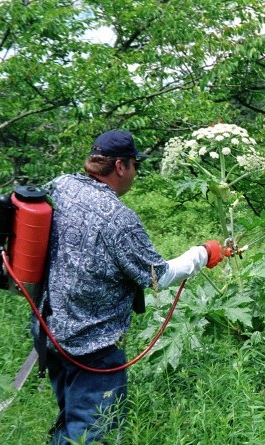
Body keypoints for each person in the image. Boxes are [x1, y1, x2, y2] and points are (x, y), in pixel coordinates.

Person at [32, 130, 224, 444]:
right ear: (120, 166)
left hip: (49, 330)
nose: (136, 173)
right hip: (92, 346)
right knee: (94, 434)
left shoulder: (62, 184)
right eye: (136, 165)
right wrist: (204, 253)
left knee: (71, 420)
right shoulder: (118, 218)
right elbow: (158, 275)